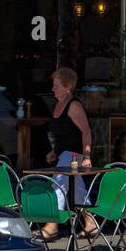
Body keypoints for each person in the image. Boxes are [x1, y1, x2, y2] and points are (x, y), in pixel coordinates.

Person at [43, 67, 96, 241]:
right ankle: (90, 223)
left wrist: (87, 157)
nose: (53, 89)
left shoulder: (74, 106)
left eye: (56, 86)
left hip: (75, 155)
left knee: (59, 183)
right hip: (63, 154)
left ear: (67, 87)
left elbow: (86, 131)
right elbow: (63, 134)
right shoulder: (58, 105)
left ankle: (52, 225)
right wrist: (53, 151)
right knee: (75, 189)